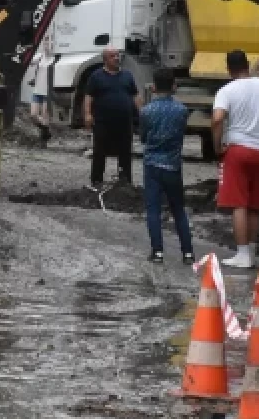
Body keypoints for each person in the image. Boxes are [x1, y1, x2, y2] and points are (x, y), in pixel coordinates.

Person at [211, 49, 259, 270]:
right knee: (256, 204)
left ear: (229, 69)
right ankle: (251, 251)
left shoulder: (226, 91)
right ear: (248, 64)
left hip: (238, 151)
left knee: (239, 203)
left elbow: (217, 120)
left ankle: (242, 254)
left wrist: (218, 147)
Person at [140, 68, 194, 264]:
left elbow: (144, 137)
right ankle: (187, 253)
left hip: (152, 164)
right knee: (178, 209)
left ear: (153, 88)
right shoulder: (182, 110)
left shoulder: (146, 111)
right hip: (173, 164)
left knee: (153, 209)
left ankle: (157, 252)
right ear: (174, 86)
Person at [83, 47, 140, 190]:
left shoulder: (127, 75)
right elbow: (89, 97)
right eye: (112, 56)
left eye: (118, 55)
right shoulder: (96, 76)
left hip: (124, 122)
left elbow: (135, 95)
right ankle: (96, 181)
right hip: (103, 121)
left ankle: (125, 182)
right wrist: (88, 114)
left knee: (125, 152)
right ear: (105, 59)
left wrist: (143, 113)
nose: (117, 58)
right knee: (99, 152)